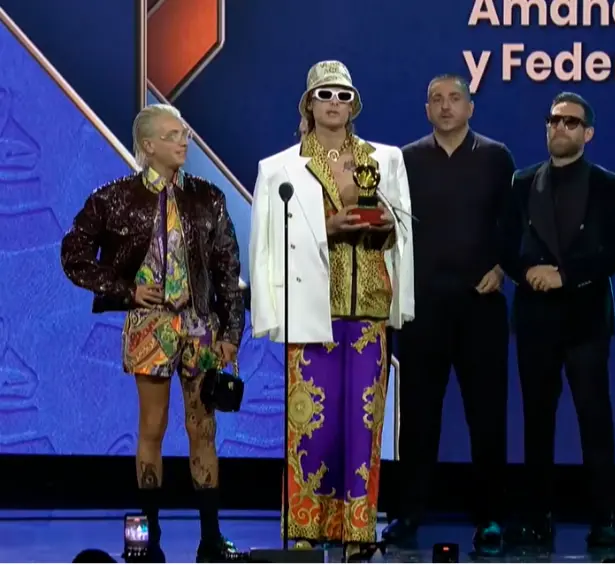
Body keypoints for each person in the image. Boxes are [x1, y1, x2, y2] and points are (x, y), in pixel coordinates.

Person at [60, 104, 244, 563]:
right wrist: (124, 289)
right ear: (148, 146)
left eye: (184, 133)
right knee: (153, 427)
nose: (184, 141)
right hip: (150, 326)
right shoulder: (116, 198)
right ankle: (151, 541)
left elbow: (228, 271)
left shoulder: (209, 198)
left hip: (201, 326)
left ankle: (211, 540)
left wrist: (232, 333)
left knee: (203, 427)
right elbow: (74, 253)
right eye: (173, 134)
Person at [248, 60, 414, 561]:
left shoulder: (384, 160)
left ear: (354, 104)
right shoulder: (279, 167)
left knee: (363, 424)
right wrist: (330, 228)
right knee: (310, 423)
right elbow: (268, 244)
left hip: (367, 309)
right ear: (309, 104)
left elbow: (403, 235)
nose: (335, 103)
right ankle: (305, 528)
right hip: (311, 309)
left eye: (344, 95)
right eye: (326, 95)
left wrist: (382, 227)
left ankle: (358, 529)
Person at [380, 74, 515, 556]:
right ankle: (409, 512)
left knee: (487, 415)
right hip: (424, 308)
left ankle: (491, 516)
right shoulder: (406, 159)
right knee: (417, 415)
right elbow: (390, 228)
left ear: (471, 107)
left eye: (454, 98)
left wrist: (502, 267)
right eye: (435, 99)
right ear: (426, 109)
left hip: (482, 306)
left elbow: (512, 224)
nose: (445, 106)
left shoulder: (497, 158)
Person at [498, 92, 615, 549]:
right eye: (554, 120)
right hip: (536, 320)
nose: (560, 127)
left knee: (594, 421)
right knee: (537, 423)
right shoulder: (521, 183)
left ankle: (604, 518)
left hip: (586, 321)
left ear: (587, 133)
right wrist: (527, 273)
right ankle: (538, 517)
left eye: (571, 122)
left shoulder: (607, 185)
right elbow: (505, 245)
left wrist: (566, 275)